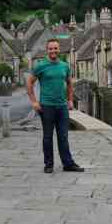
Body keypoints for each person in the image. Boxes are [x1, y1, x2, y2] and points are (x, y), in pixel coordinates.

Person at [26, 38, 84, 173]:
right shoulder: (41, 66)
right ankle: (49, 164)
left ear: (59, 49)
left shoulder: (64, 66)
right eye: (51, 48)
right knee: (47, 137)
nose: (53, 51)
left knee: (63, 136)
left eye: (55, 48)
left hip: (62, 106)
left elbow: (69, 84)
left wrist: (70, 100)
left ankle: (68, 164)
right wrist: (34, 101)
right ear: (47, 50)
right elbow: (30, 83)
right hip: (46, 106)